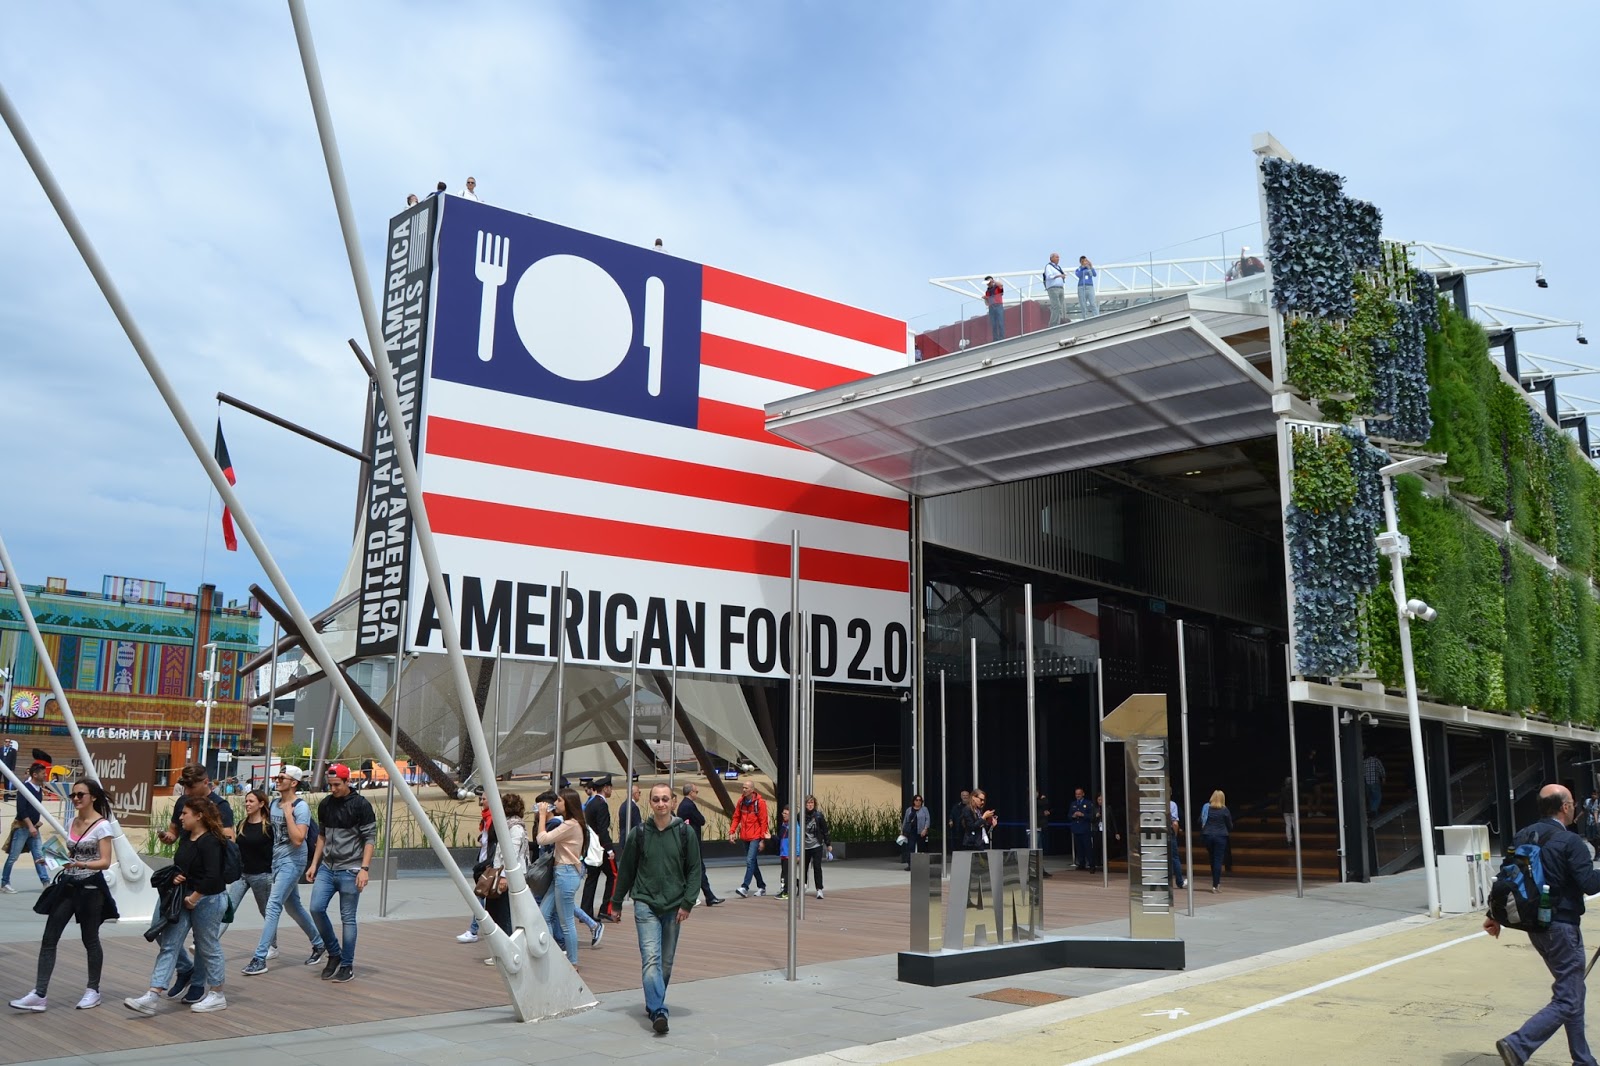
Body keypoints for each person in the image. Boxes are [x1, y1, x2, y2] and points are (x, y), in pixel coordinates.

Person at [1487, 783, 1600, 1066]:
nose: (1574, 807)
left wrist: (1493, 915)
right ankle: (1518, 1044)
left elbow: (1508, 877)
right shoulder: (1571, 842)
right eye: (1572, 802)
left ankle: (1583, 1060)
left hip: (1536, 928)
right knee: (1568, 998)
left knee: (1572, 990)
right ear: (1565, 807)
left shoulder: (1523, 835)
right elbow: (1589, 884)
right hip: (1562, 927)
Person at [9, 779, 117, 1012]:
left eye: (80, 795)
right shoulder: (71, 822)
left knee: (90, 939)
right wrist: (51, 858)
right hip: (69, 884)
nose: (76, 799)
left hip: (91, 888)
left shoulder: (102, 826)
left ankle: (93, 990)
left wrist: (80, 864)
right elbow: (71, 854)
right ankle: (39, 994)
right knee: (49, 937)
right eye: (73, 795)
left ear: (93, 797)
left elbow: (105, 862)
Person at [125, 796, 230, 1014]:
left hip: (208, 899)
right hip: (183, 896)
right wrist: (176, 878)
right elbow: (181, 866)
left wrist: (195, 897)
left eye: (185, 813)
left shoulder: (211, 841)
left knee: (207, 945)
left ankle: (217, 993)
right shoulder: (186, 837)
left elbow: (213, 875)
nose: (180, 817)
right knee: (169, 944)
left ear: (199, 816)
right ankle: (153, 995)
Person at [612, 783, 702, 1036]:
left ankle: (654, 1002)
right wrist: (616, 903)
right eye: (656, 799)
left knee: (666, 963)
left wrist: (687, 903)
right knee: (651, 959)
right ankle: (658, 1010)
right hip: (645, 903)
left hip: (674, 906)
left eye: (665, 799)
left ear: (673, 802)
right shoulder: (639, 833)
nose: (661, 803)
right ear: (650, 803)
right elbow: (626, 870)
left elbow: (695, 869)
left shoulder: (685, 833)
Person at [156, 765, 235, 1005]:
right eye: (184, 786)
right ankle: (185, 970)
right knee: (158, 929)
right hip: (181, 880)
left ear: (205, 782)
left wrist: (206, 841)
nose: (187, 790)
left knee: (205, 940)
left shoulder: (220, 806)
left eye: (191, 785)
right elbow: (174, 834)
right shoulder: (183, 803)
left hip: (207, 885)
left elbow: (227, 841)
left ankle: (200, 984)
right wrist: (168, 838)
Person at [241, 766, 323, 975]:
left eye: (281, 777)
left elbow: (298, 840)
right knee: (293, 907)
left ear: (293, 783)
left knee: (273, 905)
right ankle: (319, 943)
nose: (277, 780)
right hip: (276, 861)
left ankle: (260, 958)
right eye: (276, 777)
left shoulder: (300, 807)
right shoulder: (274, 804)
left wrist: (288, 814)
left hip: (293, 862)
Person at [306, 763, 376, 984]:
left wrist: (364, 869)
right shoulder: (326, 804)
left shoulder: (361, 805)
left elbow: (370, 839)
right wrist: (314, 864)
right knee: (316, 908)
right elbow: (322, 836)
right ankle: (334, 953)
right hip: (327, 867)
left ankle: (347, 965)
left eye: (337, 784)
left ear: (348, 781)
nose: (333, 788)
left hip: (350, 868)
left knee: (348, 918)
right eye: (330, 785)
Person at [536, 788, 587, 969]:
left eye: (559, 800)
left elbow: (542, 839)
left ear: (568, 803)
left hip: (566, 873)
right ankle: (553, 956)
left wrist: (542, 815)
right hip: (562, 874)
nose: (555, 803)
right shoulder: (571, 823)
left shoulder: (571, 825)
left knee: (566, 922)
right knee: (543, 914)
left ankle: (572, 963)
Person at [225, 789, 275, 956]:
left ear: (261, 804)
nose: (247, 804)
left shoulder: (269, 827)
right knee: (228, 908)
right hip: (241, 875)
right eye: (246, 801)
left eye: (251, 801)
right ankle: (209, 942)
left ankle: (272, 945)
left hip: (262, 875)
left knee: (266, 911)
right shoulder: (242, 824)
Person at [481, 793, 528, 946]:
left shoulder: (515, 828)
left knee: (504, 914)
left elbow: (511, 854)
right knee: (496, 912)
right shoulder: (508, 825)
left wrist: (503, 877)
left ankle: (508, 947)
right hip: (502, 874)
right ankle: (501, 946)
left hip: (508, 877)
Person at [2, 758, 52, 893]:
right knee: (13, 856)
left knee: (38, 855)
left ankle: (45, 881)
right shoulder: (25, 788)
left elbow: (35, 808)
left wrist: (36, 823)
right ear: (35, 774)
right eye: (43, 773)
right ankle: (4, 882)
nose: (45, 775)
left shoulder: (39, 789)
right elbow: (21, 809)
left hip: (34, 827)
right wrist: (30, 825)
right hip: (23, 828)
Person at [457, 787, 493, 943]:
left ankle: (473, 930)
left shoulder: (493, 820)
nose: (481, 801)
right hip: (484, 863)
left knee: (480, 896)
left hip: (489, 865)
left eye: (484, 799)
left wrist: (488, 863)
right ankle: (479, 929)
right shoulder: (486, 819)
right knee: (485, 898)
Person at [677, 783, 722, 905]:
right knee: (698, 869)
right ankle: (706, 896)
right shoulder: (688, 805)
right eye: (696, 792)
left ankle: (708, 896)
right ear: (691, 792)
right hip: (692, 843)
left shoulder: (683, 805)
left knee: (696, 869)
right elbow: (701, 820)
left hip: (689, 842)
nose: (697, 794)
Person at [581, 777, 618, 923]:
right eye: (610, 787)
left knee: (592, 879)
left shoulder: (591, 803)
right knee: (614, 875)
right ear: (606, 788)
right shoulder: (601, 805)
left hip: (593, 846)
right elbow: (602, 829)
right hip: (601, 847)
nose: (611, 790)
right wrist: (609, 849)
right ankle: (606, 909)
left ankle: (585, 911)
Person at [729, 779, 769, 897]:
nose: (744, 790)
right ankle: (762, 886)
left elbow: (764, 821)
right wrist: (732, 831)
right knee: (753, 862)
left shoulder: (760, 803)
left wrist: (762, 839)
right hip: (745, 836)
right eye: (743, 787)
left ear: (752, 790)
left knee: (750, 860)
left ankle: (745, 887)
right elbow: (736, 817)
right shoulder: (741, 801)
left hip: (755, 836)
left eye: (746, 788)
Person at [1200, 789, 1233, 893]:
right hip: (1221, 836)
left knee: (1212, 859)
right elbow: (1230, 825)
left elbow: (1200, 820)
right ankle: (1216, 885)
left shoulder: (1207, 808)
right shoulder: (1224, 810)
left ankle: (1215, 882)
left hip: (1208, 835)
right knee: (1218, 860)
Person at [801, 795, 832, 900]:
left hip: (816, 845)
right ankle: (803, 886)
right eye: (808, 803)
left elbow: (825, 830)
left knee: (817, 867)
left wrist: (828, 844)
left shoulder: (819, 816)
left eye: (812, 803)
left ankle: (819, 889)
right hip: (805, 846)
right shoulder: (800, 816)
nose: (810, 805)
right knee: (803, 867)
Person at [900, 794, 929, 869]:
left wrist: (925, 829)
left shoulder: (924, 809)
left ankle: (921, 865)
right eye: (916, 800)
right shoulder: (909, 810)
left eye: (920, 800)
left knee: (921, 848)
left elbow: (927, 819)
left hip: (921, 831)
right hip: (911, 831)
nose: (918, 802)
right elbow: (905, 820)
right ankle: (910, 864)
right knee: (910, 848)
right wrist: (902, 830)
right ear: (913, 801)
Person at [1068, 787, 1093, 870]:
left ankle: (1091, 864)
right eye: (1076, 794)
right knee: (1079, 848)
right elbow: (1069, 815)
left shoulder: (1088, 803)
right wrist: (1073, 816)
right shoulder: (1073, 804)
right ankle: (1081, 864)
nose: (1077, 795)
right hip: (1076, 829)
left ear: (1083, 794)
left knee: (1087, 847)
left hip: (1085, 829)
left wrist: (1083, 815)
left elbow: (1091, 816)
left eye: (1079, 794)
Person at [1094, 793, 1119, 871]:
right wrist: (1096, 816)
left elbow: (1113, 821)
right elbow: (1091, 820)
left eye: (1101, 800)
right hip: (1097, 830)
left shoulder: (1108, 808)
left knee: (1107, 847)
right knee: (1098, 846)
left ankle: (1106, 862)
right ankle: (1098, 862)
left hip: (1107, 830)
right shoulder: (1095, 808)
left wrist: (1116, 832)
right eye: (1099, 800)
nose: (1100, 801)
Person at [774, 804, 794, 899]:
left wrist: (797, 854)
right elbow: (780, 838)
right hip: (783, 852)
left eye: (786, 813)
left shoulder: (794, 826)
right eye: (783, 813)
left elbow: (797, 841)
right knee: (784, 873)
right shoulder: (784, 824)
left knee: (786, 873)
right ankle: (786, 889)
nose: (784, 815)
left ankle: (786, 892)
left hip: (789, 853)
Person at [1044, 253, 1069, 326]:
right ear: (1051, 258)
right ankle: (1053, 324)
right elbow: (1049, 276)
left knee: (1060, 307)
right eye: (1056, 257)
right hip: (1053, 288)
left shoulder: (1058, 267)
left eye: (1058, 257)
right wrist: (1059, 276)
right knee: (1056, 306)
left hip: (1060, 288)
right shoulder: (1049, 266)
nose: (1058, 259)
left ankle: (1057, 322)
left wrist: (1062, 277)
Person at [1168, 796, 1186, 890]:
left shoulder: (1152, 804)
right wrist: (1175, 833)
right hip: (1168, 832)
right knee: (1174, 857)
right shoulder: (1172, 804)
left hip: (1154, 833)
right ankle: (1179, 882)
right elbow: (1175, 823)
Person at [983, 277, 1005, 341]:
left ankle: (1002, 337)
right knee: (993, 324)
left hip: (998, 305)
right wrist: (985, 299)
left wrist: (993, 281)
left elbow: (1001, 285)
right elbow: (987, 303)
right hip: (991, 307)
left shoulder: (997, 287)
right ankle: (995, 338)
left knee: (1000, 322)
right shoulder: (987, 291)